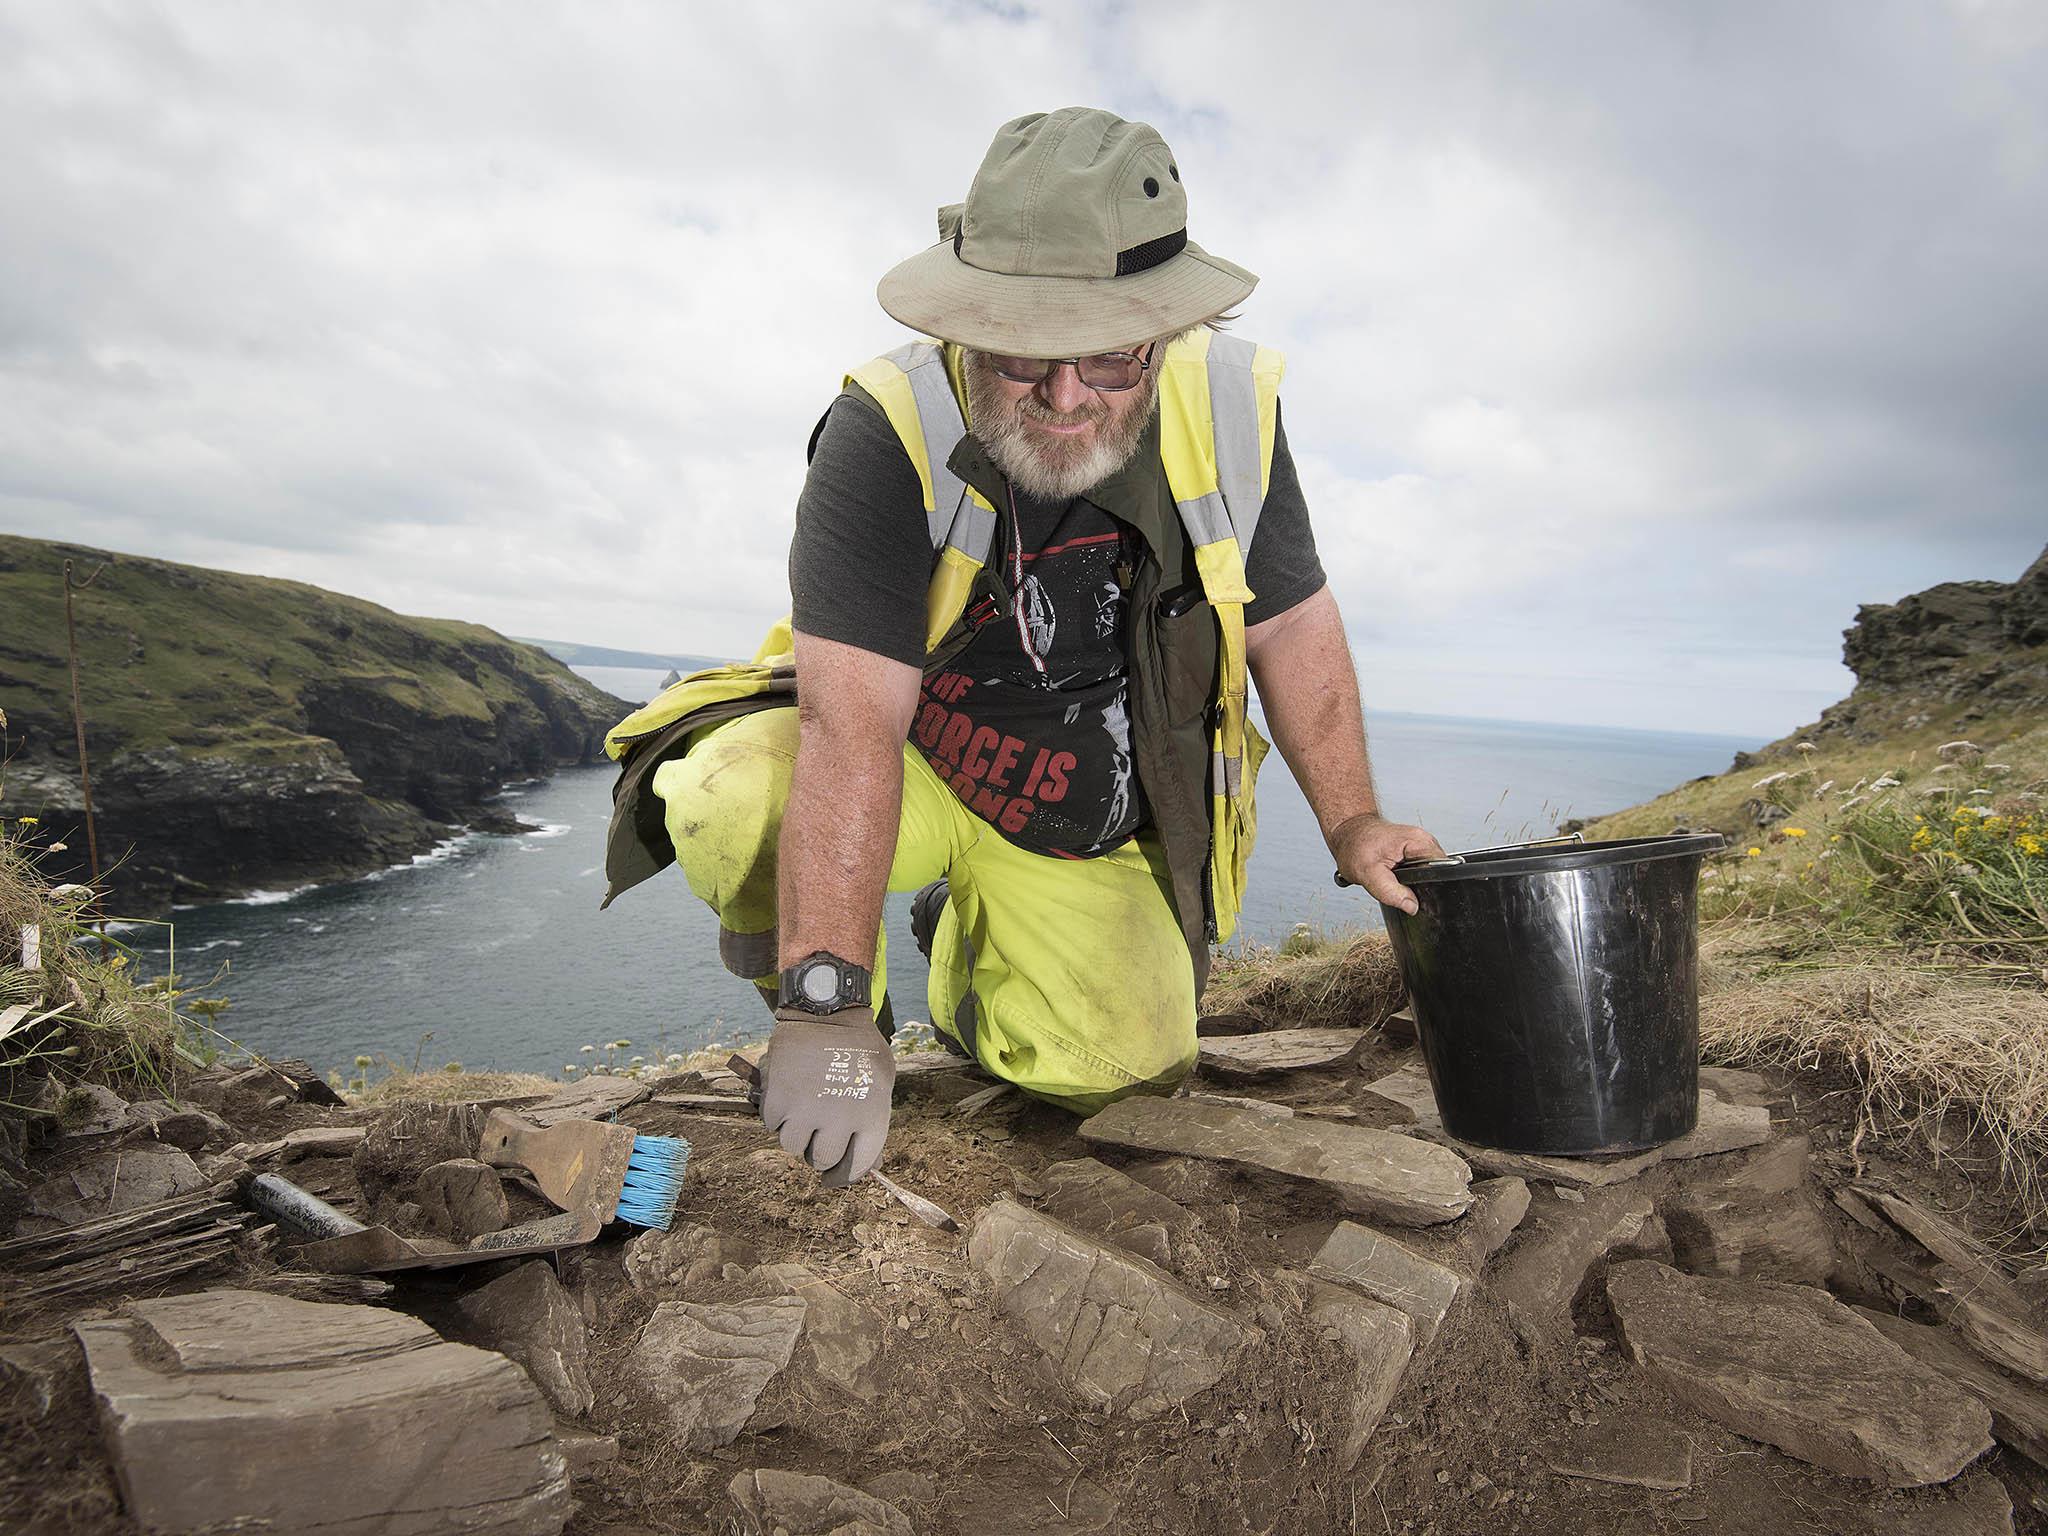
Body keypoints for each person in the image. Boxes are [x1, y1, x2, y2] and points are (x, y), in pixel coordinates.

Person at [600, 107, 1442, 1188]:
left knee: (1119, 1072)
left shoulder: (1232, 410)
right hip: (901, 777)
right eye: (1021, 356)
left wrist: (1353, 819)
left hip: (1075, 829)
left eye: (1107, 361)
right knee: (726, 797)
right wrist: (828, 1003)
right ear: (967, 322)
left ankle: (958, 955)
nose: (1061, 398)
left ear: (1164, 329)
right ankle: (853, 986)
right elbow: (848, 726)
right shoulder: (884, 428)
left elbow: (1289, 620)